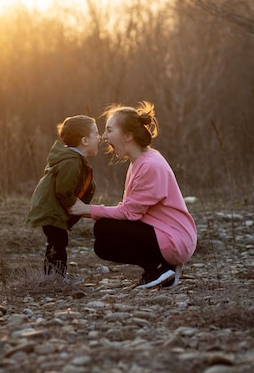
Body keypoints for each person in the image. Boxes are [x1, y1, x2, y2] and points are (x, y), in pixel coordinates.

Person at [68, 102, 197, 289]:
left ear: (128, 136)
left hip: (175, 240)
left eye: (110, 130)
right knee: (102, 237)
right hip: (169, 235)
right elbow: (133, 210)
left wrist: (87, 210)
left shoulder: (149, 165)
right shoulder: (140, 161)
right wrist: (87, 211)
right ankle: (164, 268)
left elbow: (130, 213)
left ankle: (158, 269)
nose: (104, 137)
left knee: (104, 230)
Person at [26, 115, 101, 279]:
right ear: (85, 141)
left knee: (55, 242)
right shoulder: (72, 162)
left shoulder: (74, 160)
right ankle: (56, 276)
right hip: (51, 211)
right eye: (96, 133)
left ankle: (52, 275)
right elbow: (63, 190)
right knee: (58, 242)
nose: (100, 137)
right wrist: (73, 206)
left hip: (53, 210)